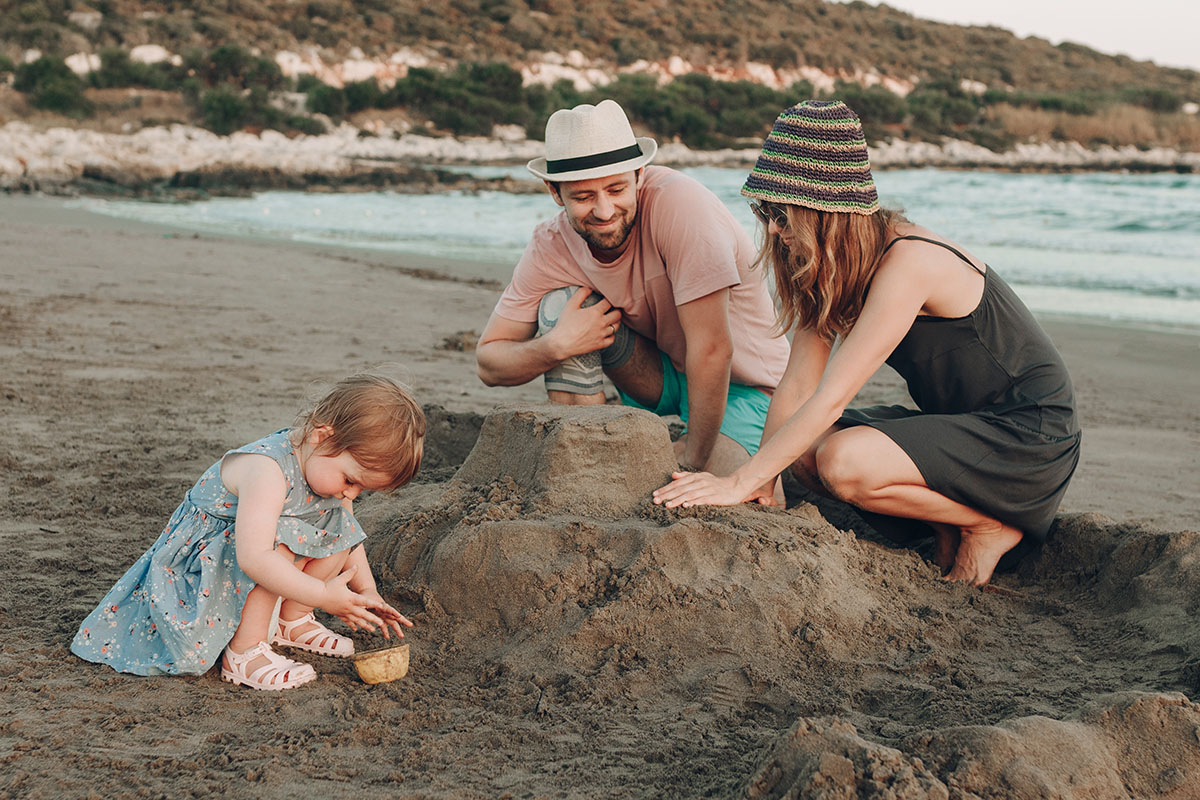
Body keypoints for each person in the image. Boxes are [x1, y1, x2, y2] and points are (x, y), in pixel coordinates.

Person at [653, 100, 1081, 587]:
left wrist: (737, 481)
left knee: (843, 461)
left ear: (825, 212)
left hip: (1029, 435)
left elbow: (832, 395)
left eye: (781, 212)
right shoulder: (834, 269)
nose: (772, 228)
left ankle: (984, 525)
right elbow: (795, 388)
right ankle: (947, 522)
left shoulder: (910, 262)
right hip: (963, 427)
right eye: (763, 211)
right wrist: (764, 484)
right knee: (807, 454)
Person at [475, 99, 791, 479]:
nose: (605, 211)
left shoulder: (682, 207)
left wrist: (693, 461)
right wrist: (556, 345)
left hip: (747, 386)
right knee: (560, 309)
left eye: (616, 188)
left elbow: (712, 350)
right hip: (659, 375)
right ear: (554, 192)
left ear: (639, 174)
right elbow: (489, 363)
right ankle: (585, 463)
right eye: (583, 196)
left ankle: (684, 452)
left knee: (713, 491)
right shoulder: (552, 243)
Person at [71, 373, 425, 690]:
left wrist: (368, 591)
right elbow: (254, 557)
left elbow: (348, 535)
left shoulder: (328, 478)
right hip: (203, 570)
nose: (351, 494)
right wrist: (322, 594)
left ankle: (292, 620)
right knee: (280, 543)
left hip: (250, 562)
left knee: (336, 524)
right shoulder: (267, 470)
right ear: (322, 437)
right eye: (351, 480)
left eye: (362, 490)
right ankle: (244, 653)